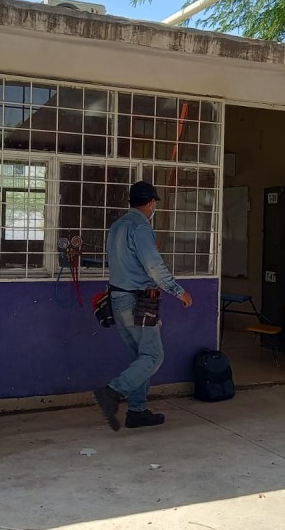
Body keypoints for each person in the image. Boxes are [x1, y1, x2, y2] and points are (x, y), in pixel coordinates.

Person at [93, 180, 193, 431]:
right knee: (153, 356)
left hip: (117, 297)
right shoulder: (140, 228)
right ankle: (113, 392)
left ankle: (137, 411)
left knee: (139, 356)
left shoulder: (117, 226)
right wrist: (178, 291)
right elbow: (153, 266)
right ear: (151, 203)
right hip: (138, 300)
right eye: (154, 203)